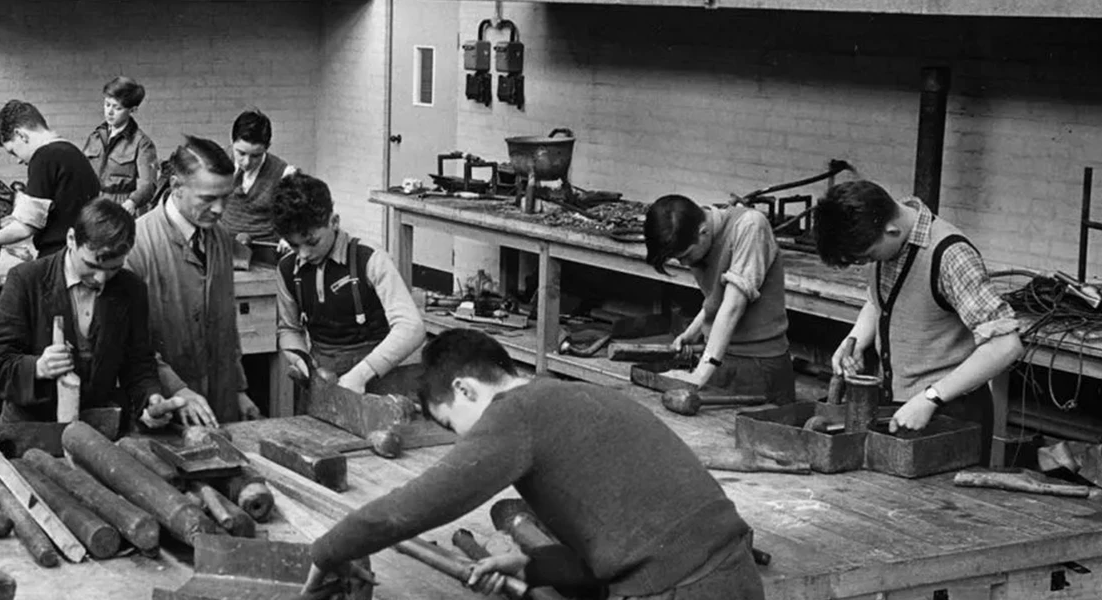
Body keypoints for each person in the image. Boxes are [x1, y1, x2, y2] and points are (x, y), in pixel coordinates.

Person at [301, 328, 765, 600]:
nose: (463, 440)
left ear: (465, 389)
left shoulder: (514, 415)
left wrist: (327, 551)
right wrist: (533, 567)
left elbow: (407, 510)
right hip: (734, 576)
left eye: (452, 424)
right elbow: (621, 548)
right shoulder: (569, 395)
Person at [814, 180, 1023, 442]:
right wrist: (855, 340)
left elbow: (1006, 345)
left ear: (891, 230)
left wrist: (931, 398)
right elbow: (878, 300)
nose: (867, 263)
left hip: (950, 414)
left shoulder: (951, 256)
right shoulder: (887, 240)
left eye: (867, 256)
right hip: (899, 409)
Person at [0, 201, 198, 431]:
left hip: (96, 430)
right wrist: (37, 367)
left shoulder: (131, 289)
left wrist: (150, 401)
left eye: (114, 268)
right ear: (71, 239)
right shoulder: (26, 281)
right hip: (30, 429)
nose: (101, 279)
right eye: (91, 265)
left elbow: (138, 363)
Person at [124, 135, 260, 427]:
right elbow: (132, 345)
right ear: (176, 186)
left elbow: (226, 325)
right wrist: (175, 389)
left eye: (226, 197)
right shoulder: (136, 246)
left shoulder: (220, 238)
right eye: (208, 199)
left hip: (219, 406)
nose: (220, 209)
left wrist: (239, 389)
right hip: (164, 410)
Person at [269, 173, 425, 394]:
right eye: (295, 246)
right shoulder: (287, 269)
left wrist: (361, 374)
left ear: (334, 221)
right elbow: (288, 329)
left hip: (386, 375)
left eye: (312, 242)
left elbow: (412, 328)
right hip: (325, 376)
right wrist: (303, 362)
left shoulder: (370, 259)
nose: (304, 254)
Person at [641, 195, 797, 405]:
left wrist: (699, 375)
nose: (685, 263)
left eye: (685, 256)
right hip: (719, 359)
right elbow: (717, 298)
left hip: (759, 364)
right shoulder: (700, 237)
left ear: (703, 231)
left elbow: (733, 306)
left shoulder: (749, 226)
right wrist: (692, 332)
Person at [0, 100, 102, 268]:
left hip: (60, 262)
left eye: (13, 151)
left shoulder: (44, 157)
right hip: (84, 255)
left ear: (21, 135)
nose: (17, 160)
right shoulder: (72, 152)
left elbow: (26, 227)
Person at [219, 109, 300, 262]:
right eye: (241, 153)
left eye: (256, 155)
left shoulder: (284, 174)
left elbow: (297, 216)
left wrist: (289, 236)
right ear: (232, 142)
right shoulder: (218, 162)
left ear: (267, 147)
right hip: (224, 251)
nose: (247, 162)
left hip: (266, 254)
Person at [81, 77, 160, 214]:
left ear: (132, 110)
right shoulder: (95, 137)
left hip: (121, 206)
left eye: (117, 108)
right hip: (92, 204)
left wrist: (132, 202)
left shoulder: (142, 143)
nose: (110, 112)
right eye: (107, 104)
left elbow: (148, 185)